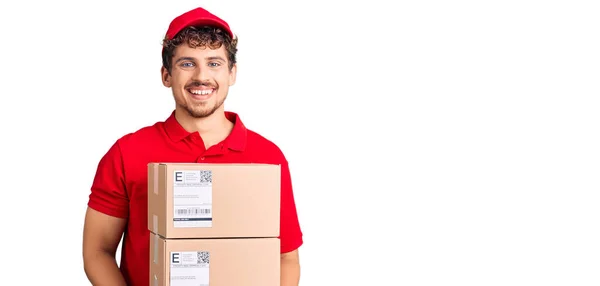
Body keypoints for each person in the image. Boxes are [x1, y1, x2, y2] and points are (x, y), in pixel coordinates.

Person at [82, 7, 303, 286]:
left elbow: (286, 258)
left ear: (232, 73)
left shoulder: (268, 157)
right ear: (166, 76)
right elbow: (97, 251)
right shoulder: (127, 152)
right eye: (187, 63)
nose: (202, 76)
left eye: (214, 63)